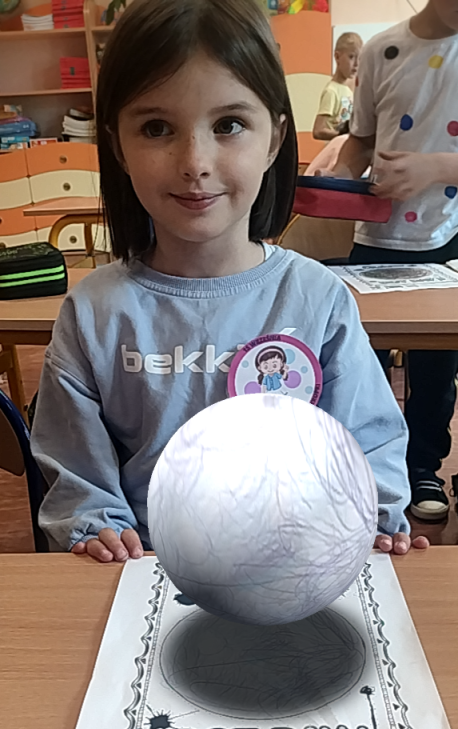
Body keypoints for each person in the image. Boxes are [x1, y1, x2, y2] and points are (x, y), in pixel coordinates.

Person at [30, 0, 427, 562]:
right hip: (144, 570)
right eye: (156, 127)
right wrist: (97, 529)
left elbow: (367, 443)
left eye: (229, 125)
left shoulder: (319, 301)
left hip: (299, 567)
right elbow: (78, 476)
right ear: (117, 145)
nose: (195, 161)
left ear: (274, 139)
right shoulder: (94, 313)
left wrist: (376, 519)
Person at [332, 0, 458, 522]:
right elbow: (360, 140)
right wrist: (339, 178)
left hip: (448, 237)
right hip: (376, 234)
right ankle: (362, 470)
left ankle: (423, 466)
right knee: (361, 366)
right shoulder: (382, 49)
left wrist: (436, 167)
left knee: (436, 367)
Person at [313, 32, 362, 142]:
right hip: (335, 149)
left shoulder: (348, 91)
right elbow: (318, 131)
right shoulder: (331, 91)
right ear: (337, 57)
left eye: (359, 58)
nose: (356, 64)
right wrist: (341, 135)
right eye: (351, 57)